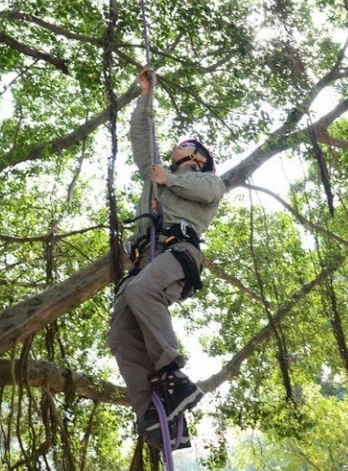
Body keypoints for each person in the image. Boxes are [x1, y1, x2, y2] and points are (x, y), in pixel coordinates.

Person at [108, 69, 226, 449]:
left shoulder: (206, 180)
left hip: (179, 254)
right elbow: (142, 141)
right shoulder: (156, 175)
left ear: (198, 156)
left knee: (143, 291)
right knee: (120, 335)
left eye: (183, 145)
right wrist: (145, 97)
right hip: (146, 261)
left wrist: (168, 179)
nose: (175, 147)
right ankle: (155, 414)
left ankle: (172, 374)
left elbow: (208, 192)